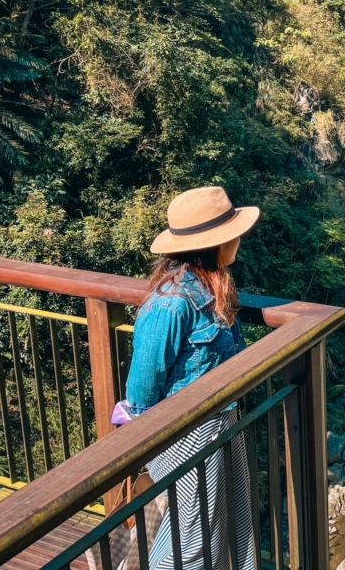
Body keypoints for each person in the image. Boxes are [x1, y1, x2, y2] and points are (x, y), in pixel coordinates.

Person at [126, 186, 259, 570]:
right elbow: (142, 388)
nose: (237, 238)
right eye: (231, 232)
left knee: (230, 523)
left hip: (220, 419)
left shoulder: (211, 284)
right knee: (196, 538)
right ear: (214, 243)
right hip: (187, 431)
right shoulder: (171, 302)